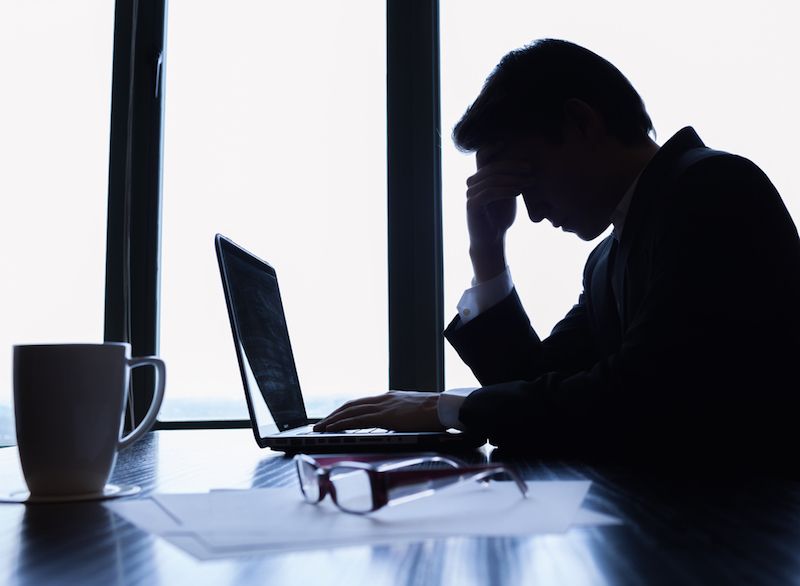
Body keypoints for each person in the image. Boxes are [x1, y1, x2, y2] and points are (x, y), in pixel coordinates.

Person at [316, 39, 800, 463]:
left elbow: (643, 396)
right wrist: (487, 250)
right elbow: (533, 384)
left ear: (581, 122)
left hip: (741, 539)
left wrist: (447, 408)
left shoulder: (713, 187)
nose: (533, 213)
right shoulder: (608, 257)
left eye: (528, 179)